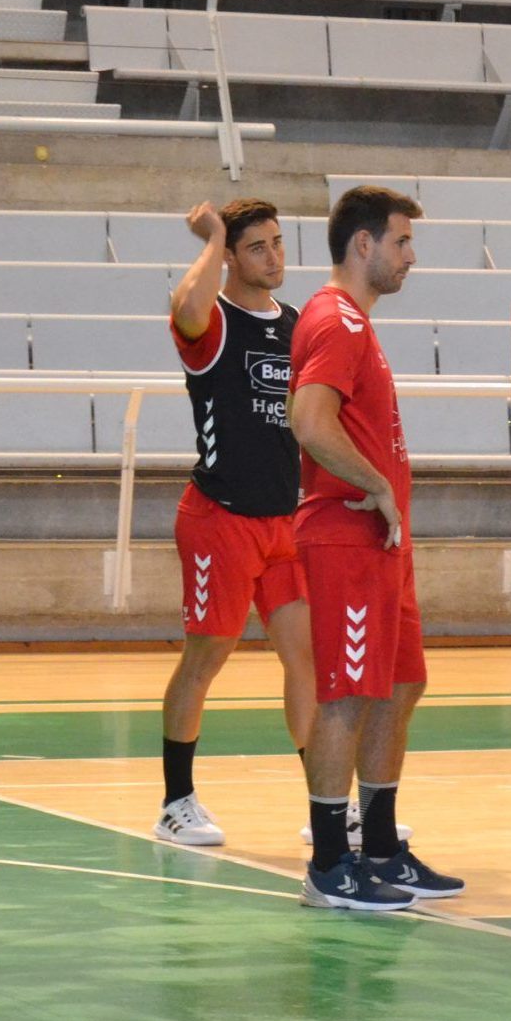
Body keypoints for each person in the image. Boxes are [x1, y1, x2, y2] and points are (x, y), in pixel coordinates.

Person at [287, 185, 463, 911]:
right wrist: (377, 485)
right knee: (348, 693)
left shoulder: (356, 322)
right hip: (345, 532)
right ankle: (331, 864)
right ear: (364, 244)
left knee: (399, 682)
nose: (410, 256)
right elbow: (308, 419)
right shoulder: (336, 320)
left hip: (380, 539)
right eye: (401, 241)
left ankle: (382, 845)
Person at [155, 198, 311, 847]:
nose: (273, 256)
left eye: (277, 243)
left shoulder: (299, 324)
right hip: (220, 518)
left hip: (286, 525)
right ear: (230, 258)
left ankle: (329, 807)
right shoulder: (213, 321)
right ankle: (176, 800)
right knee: (207, 655)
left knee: (308, 660)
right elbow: (185, 306)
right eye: (257, 247)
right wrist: (214, 238)